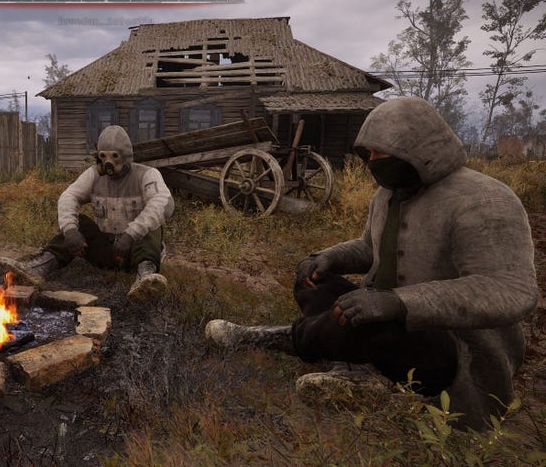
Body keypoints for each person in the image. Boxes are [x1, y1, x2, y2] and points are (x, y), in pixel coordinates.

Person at [205, 97, 539, 430]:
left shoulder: (486, 199)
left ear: (418, 148)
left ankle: (266, 339)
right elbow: (370, 247)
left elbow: (511, 289)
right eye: (369, 153)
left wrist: (398, 303)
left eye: (381, 152)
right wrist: (329, 257)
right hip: (388, 322)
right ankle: (356, 372)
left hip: (452, 348)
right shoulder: (388, 194)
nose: (372, 161)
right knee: (316, 283)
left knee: (368, 324)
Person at [0, 125, 174, 303]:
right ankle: (38, 268)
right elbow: (69, 196)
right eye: (103, 156)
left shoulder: (147, 175)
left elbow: (163, 203)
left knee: (152, 226)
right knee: (79, 223)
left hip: (134, 251)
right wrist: (70, 230)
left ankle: (145, 279)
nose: (109, 162)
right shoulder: (93, 175)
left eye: (114, 156)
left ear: (126, 155)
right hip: (107, 250)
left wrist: (130, 234)